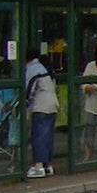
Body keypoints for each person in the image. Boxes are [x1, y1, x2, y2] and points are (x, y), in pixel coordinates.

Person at [23, 48, 58, 178]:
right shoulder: (45, 68)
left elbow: (28, 89)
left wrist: (25, 102)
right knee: (47, 136)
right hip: (52, 105)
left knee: (38, 135)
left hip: (40, 105)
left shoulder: (33, 68)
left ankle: (38, 166)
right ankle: (48, 165)